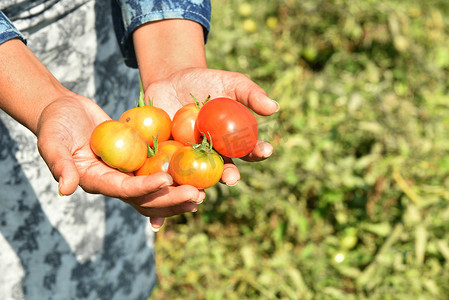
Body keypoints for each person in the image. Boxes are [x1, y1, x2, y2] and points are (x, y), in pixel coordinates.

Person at [0, 0, 279, 299]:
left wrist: (172, 64)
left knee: (113, 257)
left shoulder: (144, 128)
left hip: (101, 43)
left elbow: (142, 145)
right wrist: (44, 103)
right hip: (12, 78)